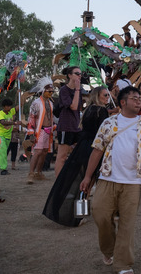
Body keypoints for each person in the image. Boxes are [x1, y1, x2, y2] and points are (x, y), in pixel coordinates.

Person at [80, 86, 141, 273]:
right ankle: (109, 250)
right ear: (122, 102)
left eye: (140, 98)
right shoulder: (108, 122)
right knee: (100, 214)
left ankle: (123, 264)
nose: (139, 101)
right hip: (107, 178)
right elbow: (97, 150)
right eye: (134, 98)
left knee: (127, 224)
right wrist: (88, 177)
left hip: (133, 182)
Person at [43, 86, 111, 227]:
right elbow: (103, 132)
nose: (107, 98)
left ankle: (81, 213)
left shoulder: (88, 110)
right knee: (93, 180)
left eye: (108, 95)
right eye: (105, 95)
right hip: (95, 148)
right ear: (98, 96)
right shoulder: (101, 111)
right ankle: (88, 214)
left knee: (85, 180)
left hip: (83, 146)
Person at [55, 67, 84, 179]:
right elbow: (73, 106)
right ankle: (58, 181)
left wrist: (78, 90)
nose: (79, 76)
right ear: (69, 75)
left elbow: (79, 108)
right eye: (77, 73)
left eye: (80, 74)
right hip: (66, 126)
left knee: (81, 153)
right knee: (62, 156)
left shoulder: (79, 90)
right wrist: (77, 90)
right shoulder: (64, 90)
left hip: (76, 126)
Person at [26, 77, 56, 184]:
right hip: (40, 131)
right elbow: (31, 118)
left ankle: (39, 173)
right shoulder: (36, 103)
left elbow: (51, 118)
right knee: (37, 152)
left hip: (49, 130)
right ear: (43, 91)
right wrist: (31, 133)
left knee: (44, 153)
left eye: (52, 91)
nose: (51, 93)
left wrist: (54, 127)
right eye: (49, 91)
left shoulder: (51, 103)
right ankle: (31, 173)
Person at [0, 99, 23, 176]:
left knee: (1, 154)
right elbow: (3, 123)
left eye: (10, 106)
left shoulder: (11, 112)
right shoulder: (0, 114)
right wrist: (15, 122)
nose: (9, 108)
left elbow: (20, 105)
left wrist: (21, 95)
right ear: (4, 106)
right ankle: (3, 169)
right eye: (7, 106)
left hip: (8, 136)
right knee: (2, 152)